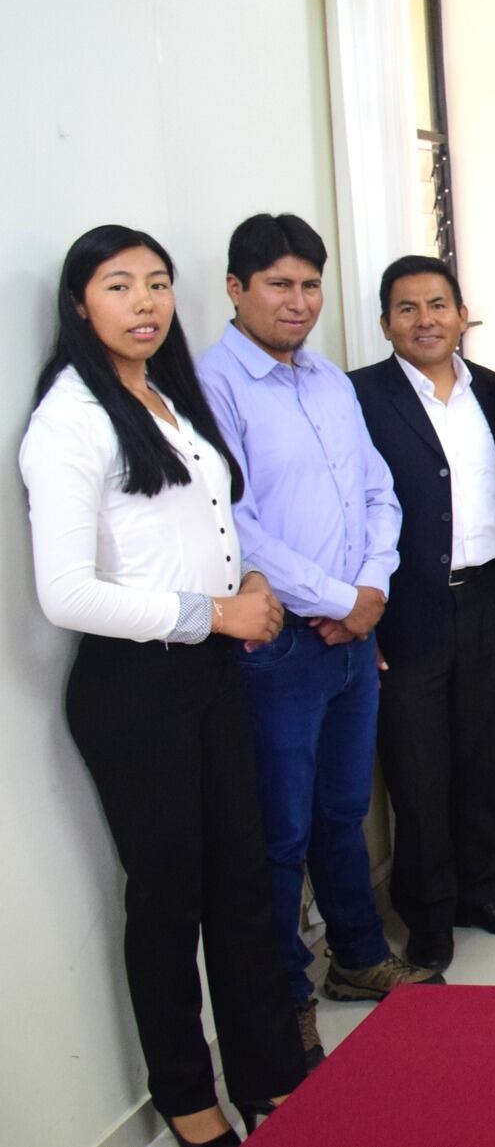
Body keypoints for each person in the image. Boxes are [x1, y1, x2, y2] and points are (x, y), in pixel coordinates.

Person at [23, 226, 304, 1146]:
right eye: (118, 286)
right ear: (79, 304)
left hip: (213, 674)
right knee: (169, 894)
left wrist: (248, 588)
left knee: (243, 881)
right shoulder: (71, 417)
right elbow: (65, 593)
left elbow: (204, 523)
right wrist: (209, 614)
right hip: (134, 688)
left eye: (156, 284)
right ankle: (187, 1098)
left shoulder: (166, 396)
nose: (144, 303)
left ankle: (268, 1073)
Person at [196, 214, 438, 1064]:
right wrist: (342, 597)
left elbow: (381, 492)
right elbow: (235, 524)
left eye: (309, 285)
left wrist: (369, 591)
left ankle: (360, 958)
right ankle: (281, 997)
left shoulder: (330, 382)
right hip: (279, 648)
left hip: (349, 636)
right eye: (278, 285)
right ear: (236, 289)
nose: (297, 301)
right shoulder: (212, 387)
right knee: (279, 829)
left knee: (344, 811)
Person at [349, 255, 495, 971]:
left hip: (491, 596)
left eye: (438, 304)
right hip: (406, 608)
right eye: (407, 308)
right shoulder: (359, 397)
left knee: (480, 760)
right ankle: (428, 916)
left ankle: (480, 892)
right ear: (385, 323)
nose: (425, 319)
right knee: (417, 768)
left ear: (462, 315)